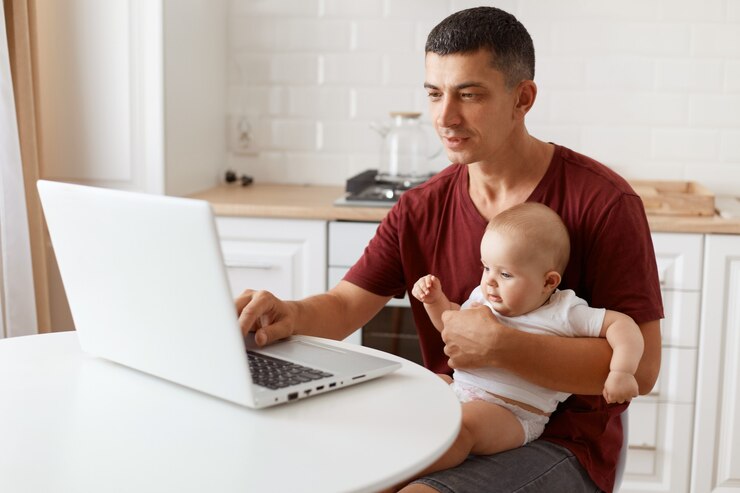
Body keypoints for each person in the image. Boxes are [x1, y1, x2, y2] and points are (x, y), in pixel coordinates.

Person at [236, 6, 663, 493]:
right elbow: (343, 305)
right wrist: (287, 313)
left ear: (522, 98)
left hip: (559, 444)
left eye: (470, 94)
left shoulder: (604, 203)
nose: (445, 117)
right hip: (448, 415)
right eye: (435, 94)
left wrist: (503, 348)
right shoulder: (420, 206)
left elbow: (643, 367)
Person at [407, 202, 644, 482]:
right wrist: (435, 302)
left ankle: (403, 474)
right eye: (486, 269)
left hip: (511, 413)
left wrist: (622, 371)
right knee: (419, 389)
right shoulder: (483, 299)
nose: (490, 282)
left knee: (462, 426)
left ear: (548, 282)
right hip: (461, 388)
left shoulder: (565, 312)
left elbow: (623, 325)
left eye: (505, 274)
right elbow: (450, 326)